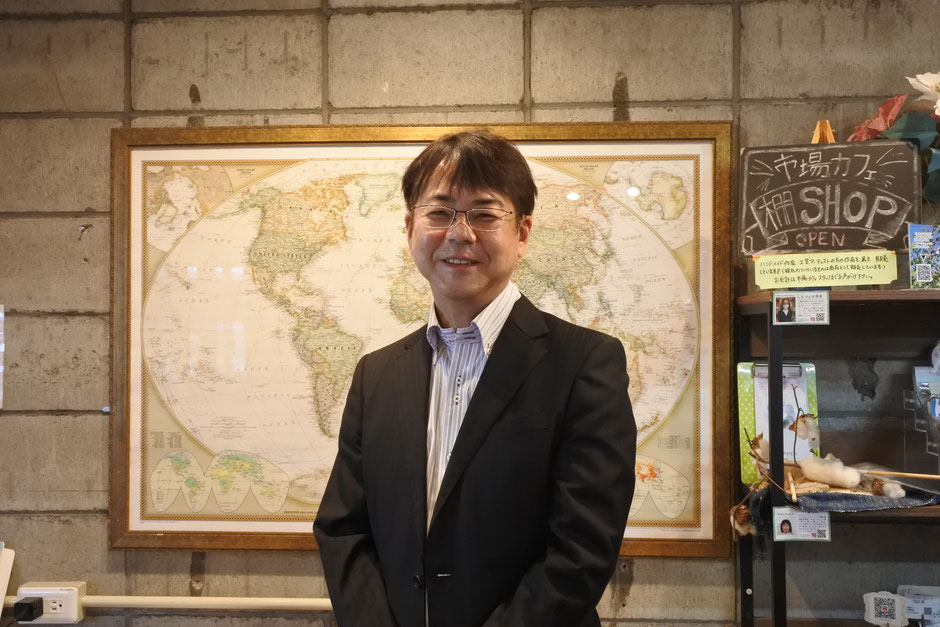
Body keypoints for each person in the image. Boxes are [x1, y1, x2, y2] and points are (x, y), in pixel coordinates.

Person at [313, 129, 637, 627]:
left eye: (484, 215)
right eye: (439, 212)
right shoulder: (375, 374)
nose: (460, 233)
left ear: (522, 233)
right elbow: (343, 530)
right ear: (410, 227)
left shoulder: (584, 363)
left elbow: (582, 549)